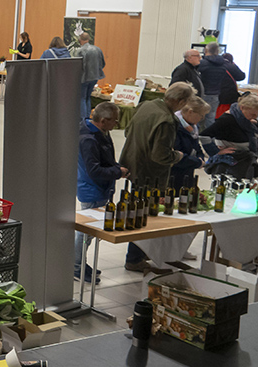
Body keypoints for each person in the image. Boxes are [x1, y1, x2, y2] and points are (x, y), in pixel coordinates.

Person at [119, 82, 196, 271]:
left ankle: (143, 255)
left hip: (134, 164)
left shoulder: (147, 105)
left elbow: (127, 131)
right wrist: (177, 155)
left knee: (139, 212)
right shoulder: (167, 120)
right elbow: (160, 156)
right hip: (150, 174)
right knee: (146, 217)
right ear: (180, 101)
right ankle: (135, 259)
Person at [74, 102, 126, 281]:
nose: (116, 125)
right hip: (92, 190)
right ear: (104, 120)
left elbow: (106, 160)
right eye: (115, 121)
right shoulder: (88, 139)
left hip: (99, 188)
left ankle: (80, 262)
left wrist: (117, 168)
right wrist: (118, 172)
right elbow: (94, 170)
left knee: (89, 232)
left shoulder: (99, 133)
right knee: (86, 231)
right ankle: (75, 266)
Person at [201, 94, 258, 179]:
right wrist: (216, 151)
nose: (255, 118)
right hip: (229, 164)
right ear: (242, 108)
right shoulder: (226, 120)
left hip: (244, 161)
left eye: (257, 115)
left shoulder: (246, 120)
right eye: (252, 114)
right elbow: (204, 136)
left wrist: (256, 124)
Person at [170, 95, 210, 189]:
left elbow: (197, 147)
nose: (202, 118)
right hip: (174, 174)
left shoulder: (193, 128)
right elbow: (176, 153)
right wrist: (197, 162)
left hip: (188, 172)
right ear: (190, 112)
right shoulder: (175, 127)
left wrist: (200, 158)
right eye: (201, 115)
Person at [196, 43, 243, 119]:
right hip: (217, 94)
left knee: (198, 117)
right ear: (218, 51)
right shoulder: (225, 63)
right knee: (211, 117)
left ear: (206, 50)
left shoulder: (202, 63)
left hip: (203, 93)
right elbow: (241, 76)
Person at [78, 33, 106, 121]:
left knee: (82, 97)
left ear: (80, 40)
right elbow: (103, 63)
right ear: (89, 39)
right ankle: (88, 117)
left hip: (84, 77)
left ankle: (83, 118)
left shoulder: (80, 51)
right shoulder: (98, 49)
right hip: (95, 77)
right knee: (88, 97)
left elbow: (78, 65)